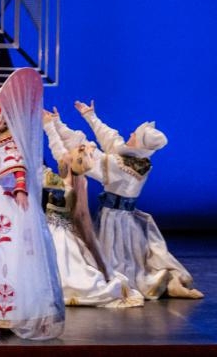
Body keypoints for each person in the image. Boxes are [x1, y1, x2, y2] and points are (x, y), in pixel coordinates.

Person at [0, 43, 64, 340]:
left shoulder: (10, 139)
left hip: (4, 204)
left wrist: (20, 188)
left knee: (8, 252)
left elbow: (16, 162)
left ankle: (15, 310)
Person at [67, 100, 203, 300]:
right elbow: (111, 139)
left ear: (139, 144)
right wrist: (90, 116)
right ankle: (170, 282)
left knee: (115, 262)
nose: (130, 134)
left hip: (114, 219)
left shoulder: (120, 166)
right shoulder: (140, 161)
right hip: (127, 217)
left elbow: (88, 158)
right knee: (134, 260)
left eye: (134, 135)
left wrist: (55, 128)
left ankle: (140, 284)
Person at [38, 112, 145, 308]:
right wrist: (51, 125)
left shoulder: (62, 183)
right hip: (54, 233)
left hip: (59, 238)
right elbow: (59, 152)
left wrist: (48, 128)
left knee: (64, 272)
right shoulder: (70, 179)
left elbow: (52, 160)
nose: (66, 152)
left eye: (72, 152)